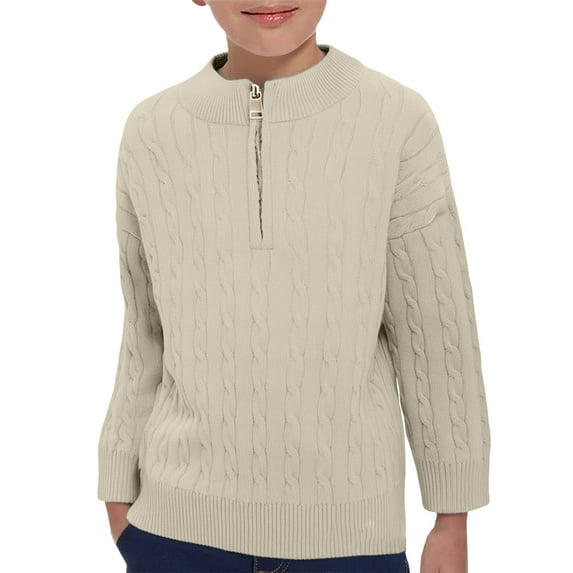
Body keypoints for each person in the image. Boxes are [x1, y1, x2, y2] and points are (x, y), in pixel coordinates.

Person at [97, 1, 491, 572]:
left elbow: (436, 331)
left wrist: (452, 521)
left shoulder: (396, 119)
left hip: (351, 541)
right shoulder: (151, 130)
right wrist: (117, 492)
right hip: (173, 534)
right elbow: (144, 327)